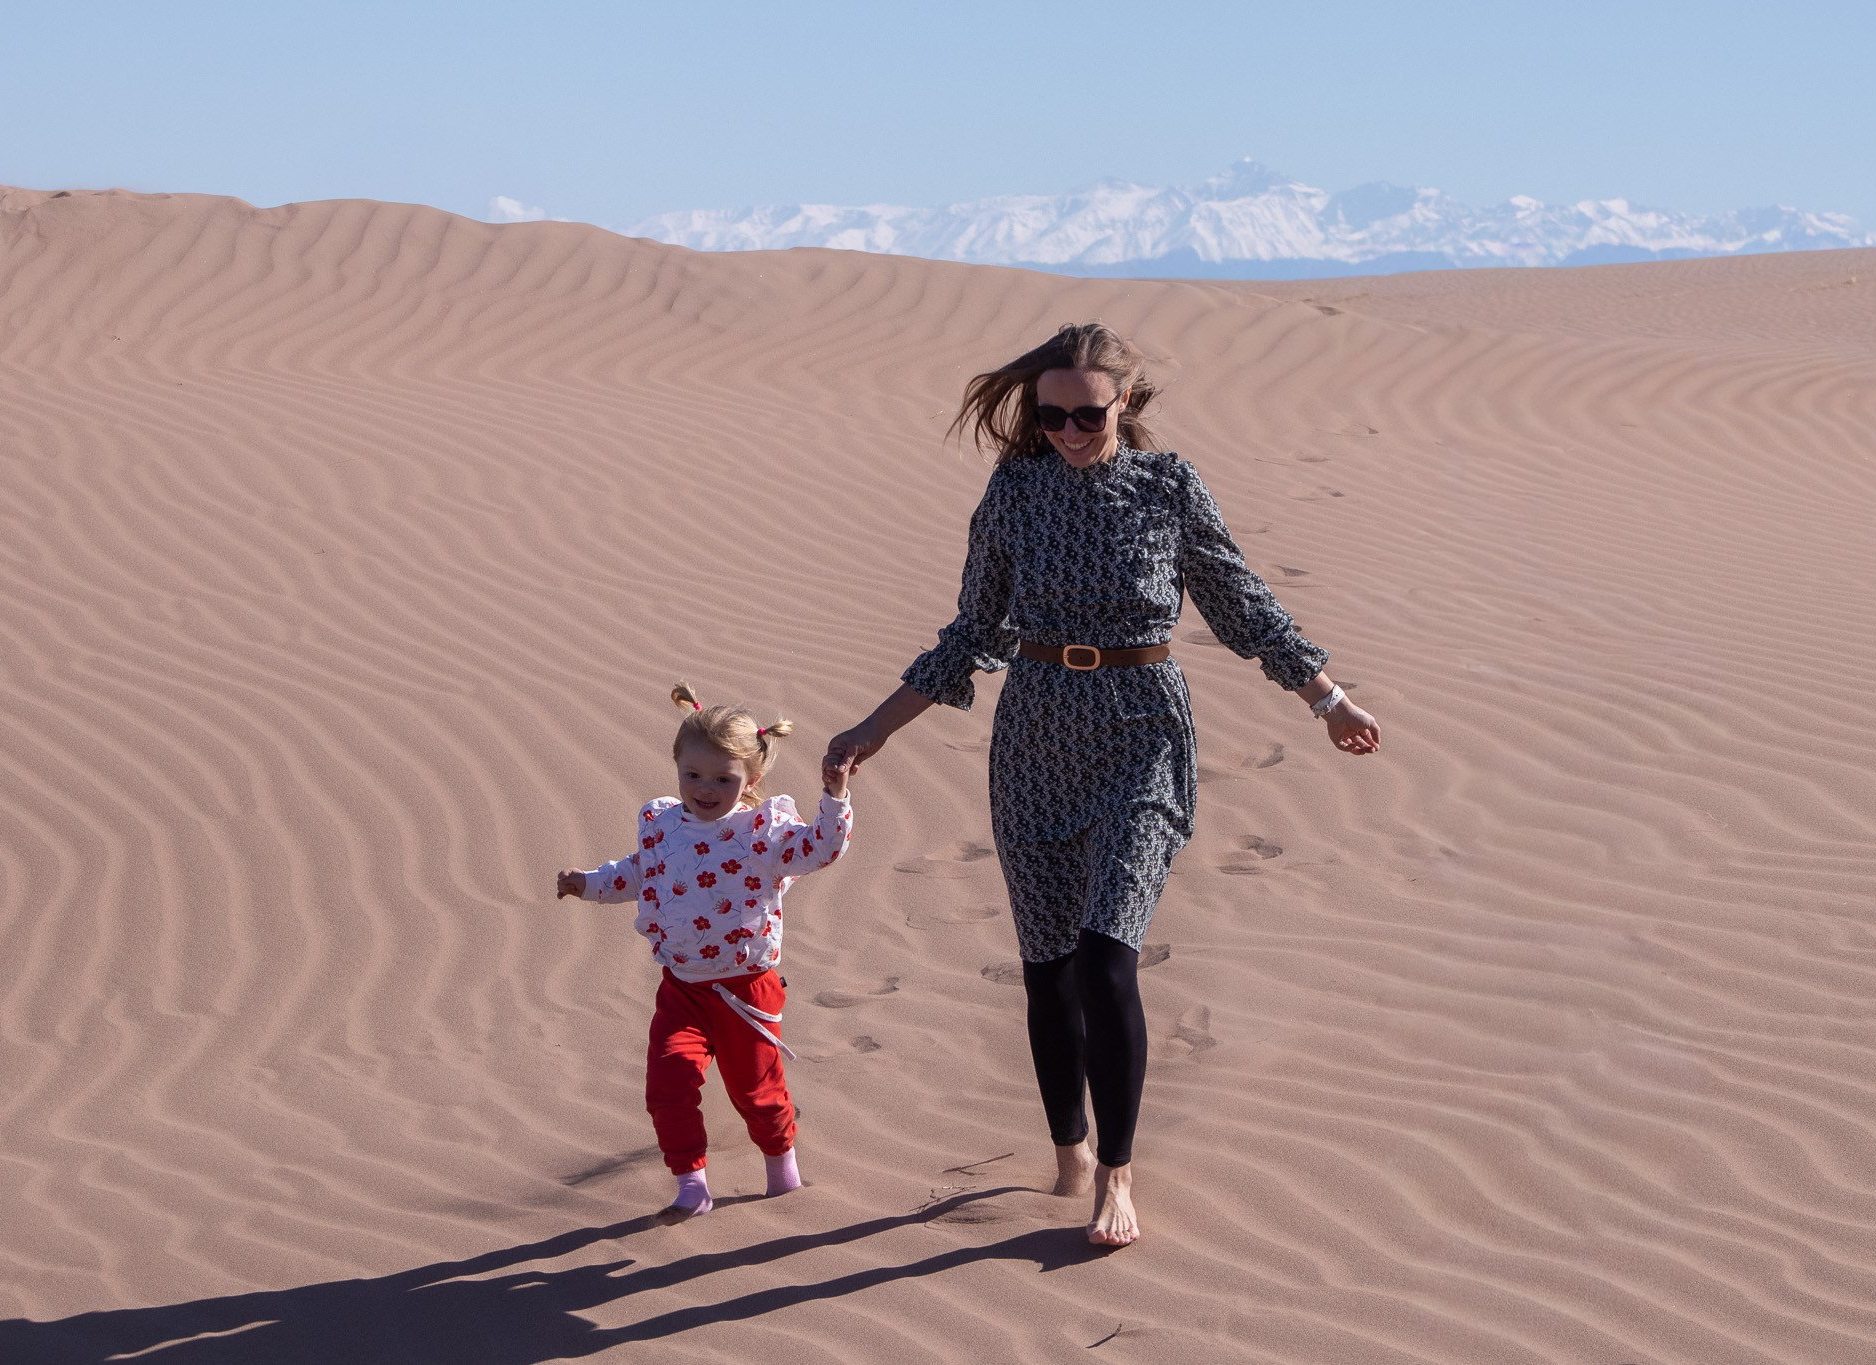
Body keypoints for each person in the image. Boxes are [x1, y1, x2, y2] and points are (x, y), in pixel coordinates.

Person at [821, 322, 1380, 1248]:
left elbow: (1243, 603)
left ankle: (1117, 1177)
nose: (1071, 432)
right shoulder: (1017, 487)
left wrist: (1327, 697)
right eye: (1052, 416)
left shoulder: (1168, 487)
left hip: (1142, 731)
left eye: (1089, 414)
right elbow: (972, 630)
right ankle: (1069, 1146)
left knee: (1107, 956)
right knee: (1047, 971)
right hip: (1035, 732)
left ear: (1128, 404)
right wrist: (872, 729)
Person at [558, 683, 853, 1220]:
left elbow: (820, 849)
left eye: (723, 778)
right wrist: (589, 883)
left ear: (752, 781)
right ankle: (690, 1184)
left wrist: (835, 799)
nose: (705, 788)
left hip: (746, 994)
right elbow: (638, 874)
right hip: (682, 991)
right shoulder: (663, 824)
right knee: (667, 1084)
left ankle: (782, 1173)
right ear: (676, 769)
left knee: (757, 1095)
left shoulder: (762, 834)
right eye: (692, 775)